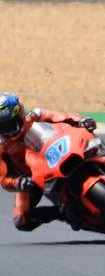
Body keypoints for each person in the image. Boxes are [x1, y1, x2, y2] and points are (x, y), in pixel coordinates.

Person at [0, 93, 97, 232]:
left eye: (9, 123)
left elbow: (63, 117)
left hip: (57, 151)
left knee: (91, 142)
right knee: (21, 221)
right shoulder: (2, 146)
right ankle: (63, 214)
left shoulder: (36, 116)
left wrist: (81, 121)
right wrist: (19, 183)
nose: (7, 130)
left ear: (19, 114)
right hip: (32, 178)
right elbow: (4, 179)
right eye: (2, 126)